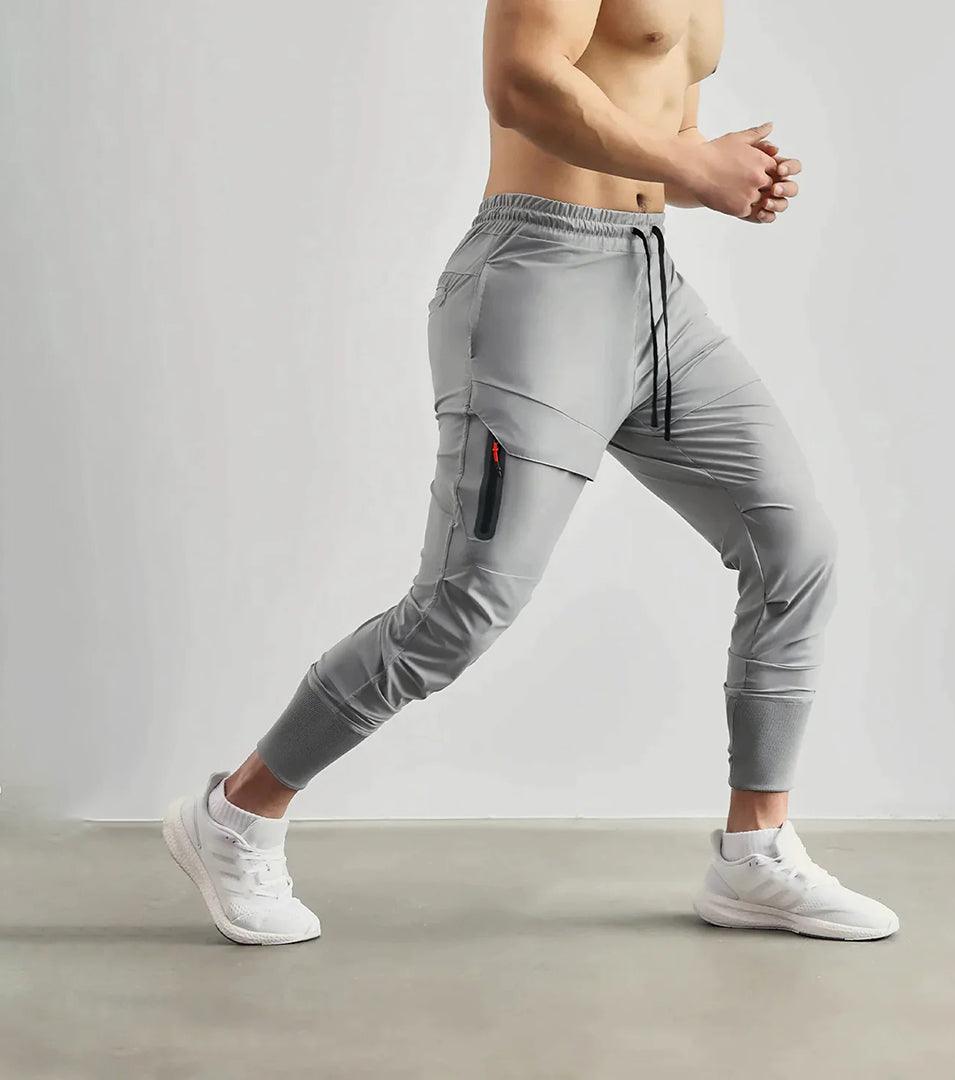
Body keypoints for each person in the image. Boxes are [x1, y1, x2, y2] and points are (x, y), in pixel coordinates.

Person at [163, 0, 899, 945]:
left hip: (651, 290)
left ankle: (754, 855)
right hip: (538, 281)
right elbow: (519, 85)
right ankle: (235, 815)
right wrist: (693, 166)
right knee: (462, 608)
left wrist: (722, 170)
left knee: (795, 546)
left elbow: (653, 137)